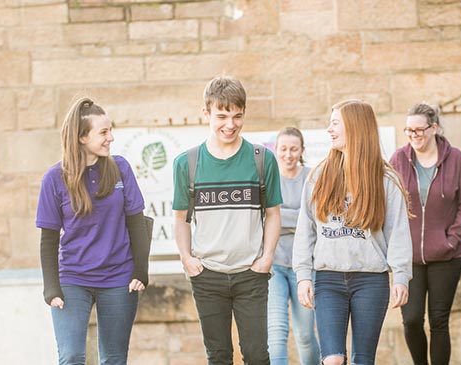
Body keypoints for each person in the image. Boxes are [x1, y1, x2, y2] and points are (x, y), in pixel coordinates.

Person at [172, 76, 283, 365]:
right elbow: (181, 219)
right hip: (207, 275)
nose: (230, 124)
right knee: (219, 356)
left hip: (251, 274)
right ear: (206, 113)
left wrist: (267, 257)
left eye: (237, 116)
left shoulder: (262, 159)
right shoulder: (187, 163)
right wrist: (186, 257)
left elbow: (273, 213)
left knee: (257, 356)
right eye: (221, 116)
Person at [293, 99, 413, 365]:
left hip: (370, 280)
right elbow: (306, 230)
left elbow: (398, 232)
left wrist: (401, 276)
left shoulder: (385, 180)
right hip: (328, 279)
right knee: (333, 359)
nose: (329, 130)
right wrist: (303, 276)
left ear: (355, 127)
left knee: (362, 360)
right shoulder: (319, 176)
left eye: (335, 123)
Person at [36, 98, 151, 365]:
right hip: (73, 278)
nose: (111, 138)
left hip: (119, 278)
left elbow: (137, 222)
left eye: (110, 130)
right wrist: (51, 286)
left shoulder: (120, 168)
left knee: (113, 358)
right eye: (103, 132)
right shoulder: (54, 178)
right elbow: (49, 239)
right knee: (72, 356)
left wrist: (140, 270)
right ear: (81, 137)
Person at [389, 103, 461, 365]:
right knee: (412, 319)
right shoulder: (398, 160)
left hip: (446, 257)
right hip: (409, 258)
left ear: (434, 128)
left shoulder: (455, 159)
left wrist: (451, 240)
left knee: (439, 321)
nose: (414, 135)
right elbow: (390, 205)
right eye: (409, 130)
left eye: (419, 129)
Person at [267, 127, 320, 365]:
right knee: (277, 334)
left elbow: (317, 219)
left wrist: (278, 217)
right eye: (283, 149)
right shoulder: (268, 179)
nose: (288, 154)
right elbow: (263, 218)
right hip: (274, 265)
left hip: (305, 269)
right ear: (275, 150)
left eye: (294, 149)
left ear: (302, 151)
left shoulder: (313, 178)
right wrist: (298, 217)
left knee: (306, 335)